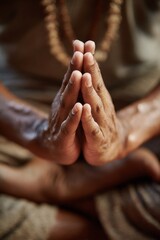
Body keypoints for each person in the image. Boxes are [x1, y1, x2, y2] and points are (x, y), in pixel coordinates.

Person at [0, 0, 160, 239]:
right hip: (17, 120)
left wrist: (125, 132)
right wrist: (35, 130)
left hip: (143, 117)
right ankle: (69, 196)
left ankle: (47, 195)